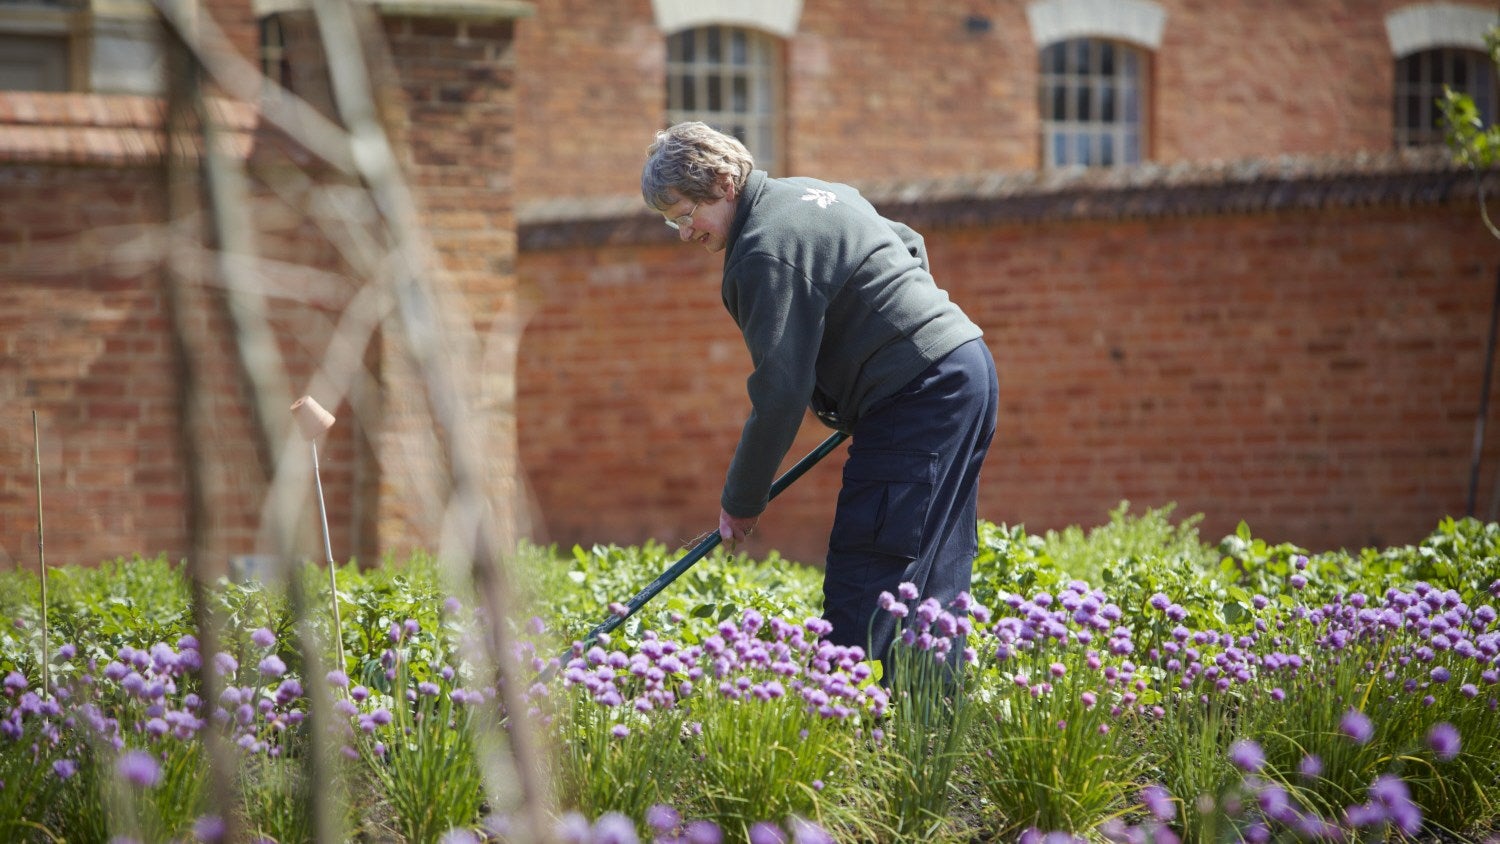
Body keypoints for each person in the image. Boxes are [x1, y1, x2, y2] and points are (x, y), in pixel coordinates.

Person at [641, 121, 999, 673]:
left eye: (687, 214)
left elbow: (781, 391)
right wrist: (883, 361)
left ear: (722, 181)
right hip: (964, 366)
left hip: (919, 395)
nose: (686, 234)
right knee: (934, 569)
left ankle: (844, 727)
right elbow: (908, 242)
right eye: (672, 224)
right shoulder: (817, 192)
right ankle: (929, 730)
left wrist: (742, 500)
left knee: (869, 565)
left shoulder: (762, 251)